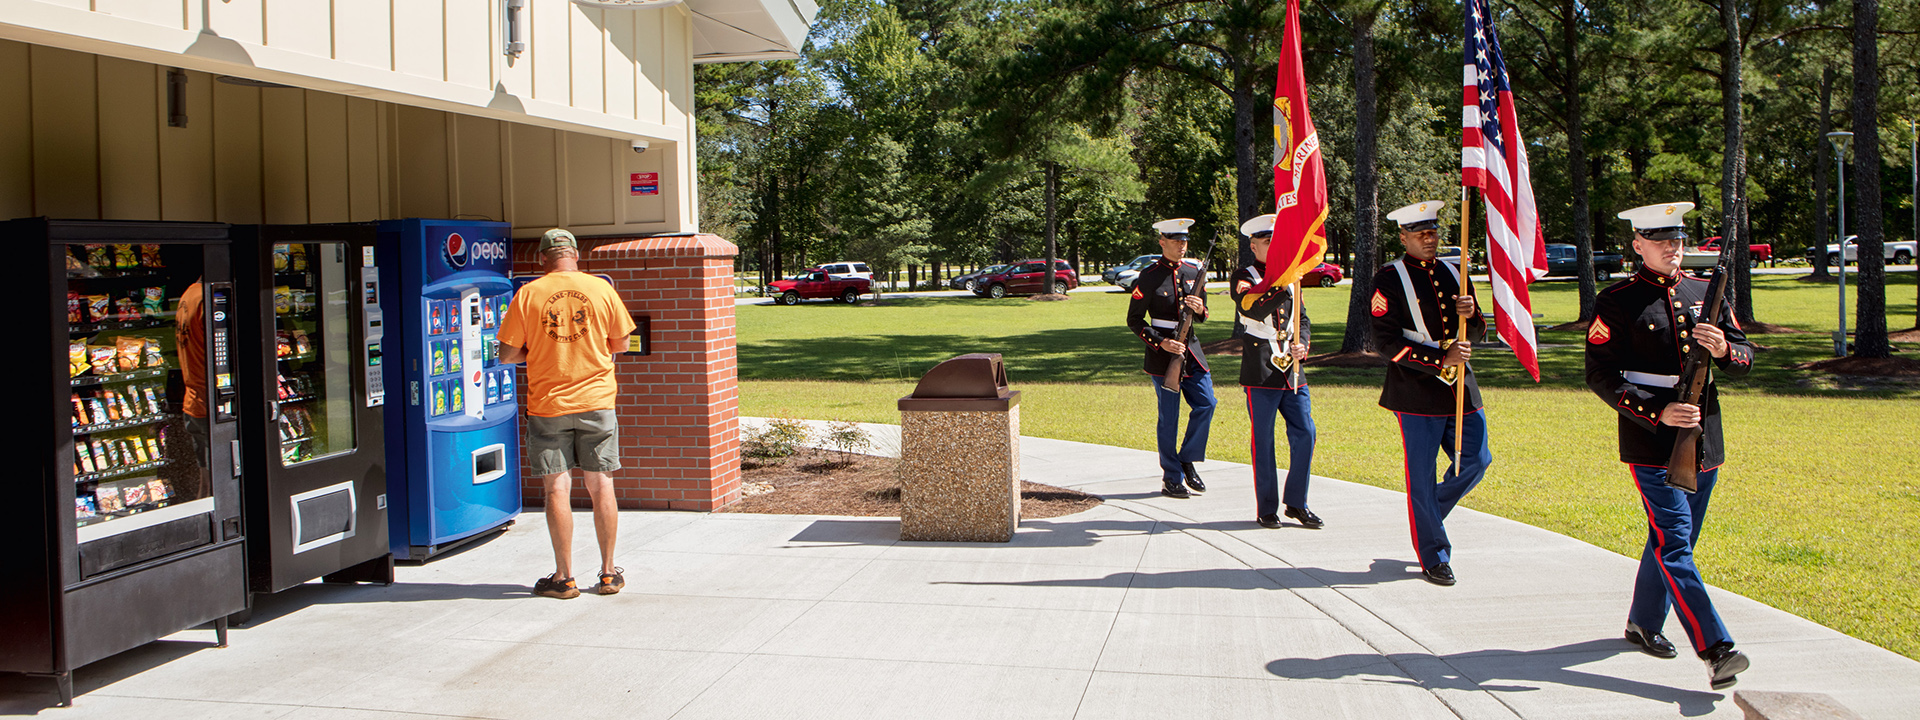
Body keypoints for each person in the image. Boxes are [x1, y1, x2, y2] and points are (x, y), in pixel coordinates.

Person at [1586, 202, 1753, 689]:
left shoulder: (1706, 292)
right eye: (1660, 240)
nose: (1672, 248)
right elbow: (1599, 375)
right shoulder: (1617, 301)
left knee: (1671, 542)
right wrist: (1655, 410)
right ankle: (1716, 648)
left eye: (1677, 240)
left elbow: (1743, 356)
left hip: (1703, 439)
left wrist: (1724, 348)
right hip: (1651, 440)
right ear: (1638, 245)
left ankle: (1642, 622)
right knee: (1675, 542)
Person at [498, 228, 637, 599]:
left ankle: (564, 578)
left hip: (548, 405)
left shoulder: (528, 294)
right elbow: (621, 344)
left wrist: (538, 354)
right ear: (575, 254)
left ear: (542, 258)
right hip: (597, 402)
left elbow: (507, 354)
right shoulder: (602, 290)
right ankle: (608, 573)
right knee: (601, 484)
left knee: (556, 487)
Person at [1369, 200, 1490, 586]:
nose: (1429, 239)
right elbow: (1385, 342)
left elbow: (1479, 332)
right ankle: (1434, 554)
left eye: (1433, 232)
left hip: (1460, 389)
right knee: (1421, 477)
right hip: (1415, 388)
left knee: (1477, 460)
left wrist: (1471, 317)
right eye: (1420, 234)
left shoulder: (1456, 271)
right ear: (1403, 237)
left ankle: (1428, 514)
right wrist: (1439, 358)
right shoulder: (1389, 278)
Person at [1231, 214, 1322, 529]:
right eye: (1268, 241)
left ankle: (1297, 502)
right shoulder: (1244, 275)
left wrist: (1303, 344)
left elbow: (1303, 318)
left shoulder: (1292, 274)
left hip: (1292, 366)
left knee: (1306, 433)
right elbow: (1252, 308)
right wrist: (1282, 283)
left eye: (1278, 240)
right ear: (1254, 245)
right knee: (1264, 440)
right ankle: (1266, 507)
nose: (1275, 246)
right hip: (1261, 366)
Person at [1126, 218, 1214, 498]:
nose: (1181, 246)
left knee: (1207, 403)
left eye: (1185, 242)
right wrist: (1160, 342)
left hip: (1192, 350)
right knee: (1169, 418)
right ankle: (1171, 477)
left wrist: (1200, 309)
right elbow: (1134, 319)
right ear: (1162, 242)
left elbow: (1204, 313)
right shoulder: (1150, 275)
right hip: (1163, 355)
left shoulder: (1194, 270)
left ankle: (1187, 458)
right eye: (1176, 242)